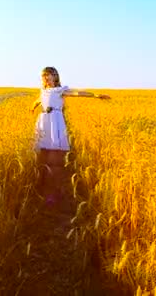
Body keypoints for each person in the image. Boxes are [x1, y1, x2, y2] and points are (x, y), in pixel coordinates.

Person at [29, 66, 110, 205]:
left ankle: (55, 190)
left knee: (55, 156)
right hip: (44, 121)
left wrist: (96, 95)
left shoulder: (60, 90)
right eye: (44, 76)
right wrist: (32, 108)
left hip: (55, 121)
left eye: (49, 75)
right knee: (42, 153)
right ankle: (41, 186)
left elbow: (78, 93)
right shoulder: (43, 91)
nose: (46, 78)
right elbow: (38, 101)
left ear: (55, 77)